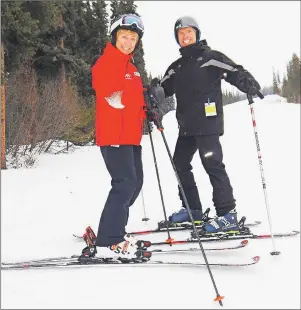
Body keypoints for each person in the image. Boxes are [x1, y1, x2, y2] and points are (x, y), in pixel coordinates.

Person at [152, 16, 261, 234]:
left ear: (197, 34)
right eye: (181, 34)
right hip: (186, 125)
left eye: (189, 32)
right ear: (177, 39)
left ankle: (227, 214)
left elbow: (234, 71)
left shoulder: (210, 57)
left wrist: (246, 81)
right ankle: (192, 209)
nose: (185, 36)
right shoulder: (177, 67)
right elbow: (163, 88)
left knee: (212, 164)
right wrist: (152, 95)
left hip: (208, 122)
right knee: (180, 163)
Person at [80, 14, 151, 260]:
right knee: (124, 184)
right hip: (113, 136)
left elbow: (134, 103)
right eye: (124, 37)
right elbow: (113, 97)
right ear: (115, 37)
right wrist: (140, 99)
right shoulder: (105, 63)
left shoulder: (132, 69)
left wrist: (150, 105)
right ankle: (111, 238)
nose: (128, 42)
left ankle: (112, 227)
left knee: (135, 184)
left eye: (133, 38)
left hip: (131, 137)